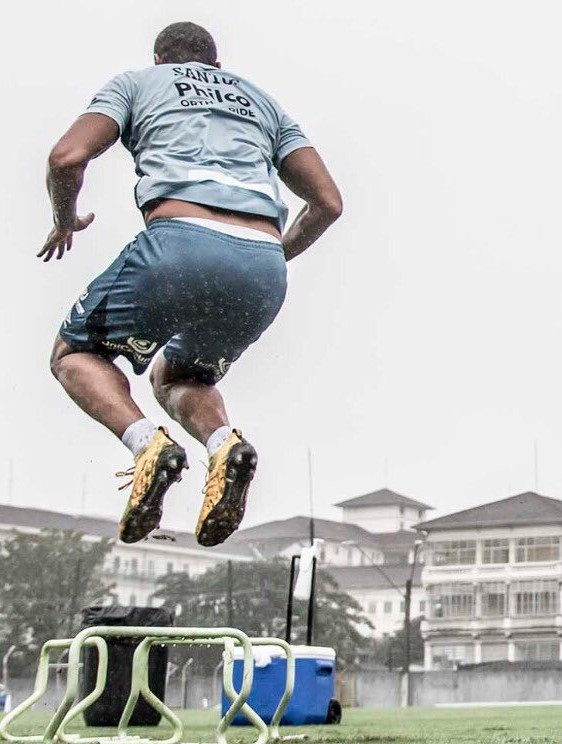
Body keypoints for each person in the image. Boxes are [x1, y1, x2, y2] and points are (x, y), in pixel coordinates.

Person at [41, 21, 342, 547]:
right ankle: (223, 444)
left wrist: (64, 218)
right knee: (179, 376)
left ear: (160, 60)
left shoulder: (138, 83)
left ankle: (146, 445)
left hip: (178, 243)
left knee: (73, 355)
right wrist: (271, 257)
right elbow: (328, 203)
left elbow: (66, 157)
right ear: (217, 66)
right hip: (262, 266)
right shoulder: (262, 101)